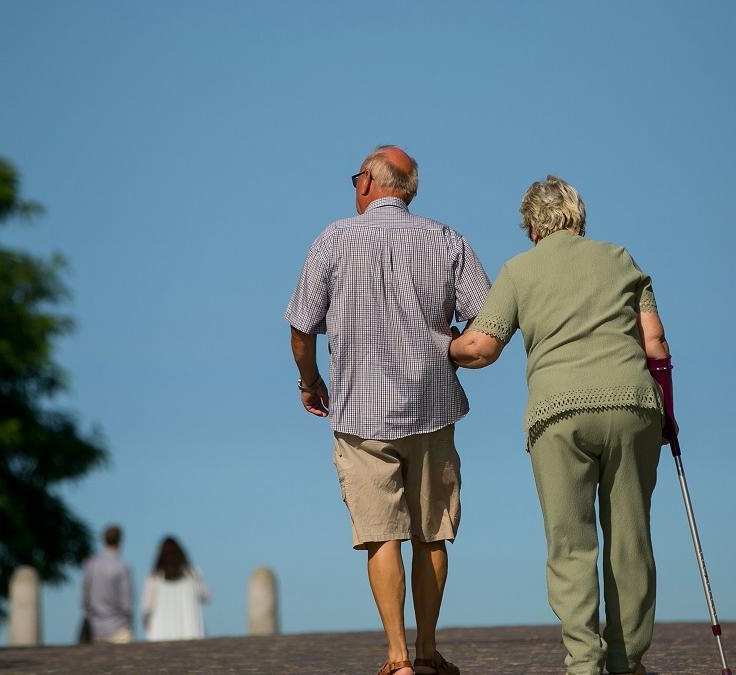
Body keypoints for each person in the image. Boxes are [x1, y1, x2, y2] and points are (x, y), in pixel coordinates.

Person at [449, 176, 676, 675]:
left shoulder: (519, 270)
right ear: (579, 216)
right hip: (632, 404)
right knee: (630, 539)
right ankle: (626, 660)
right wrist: (668, 415)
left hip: (558, 415)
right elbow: (655, 342)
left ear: (532, 225)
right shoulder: (621, 258)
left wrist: (446, 346)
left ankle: (582, 664)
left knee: (570, 544)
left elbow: (482, 348)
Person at [284, 145, 491, 675]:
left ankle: (397, 657)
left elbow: (302, 325)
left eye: (356, 177)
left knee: (381, 535)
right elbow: (487, 319)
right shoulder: (447, 239)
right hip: (432, 405)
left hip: (359, 414)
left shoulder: (333, 238)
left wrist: (310, 382)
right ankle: (426, 650)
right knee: (432, 533)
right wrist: (447, 351)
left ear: (369, 184)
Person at [140, 536, 210, 641]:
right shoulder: (193, 574)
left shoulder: (154, 577)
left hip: (160, 635)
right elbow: (206, 596)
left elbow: (146, 607)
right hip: (190, 632)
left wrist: (145, 623)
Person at [81, 524, 135, 644]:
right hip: (119, 627)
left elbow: (86, 598)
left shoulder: (91, 564)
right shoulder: (122, 567)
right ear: (120, 540)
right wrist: (129, 624)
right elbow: (126, 602)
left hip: (96, 628)